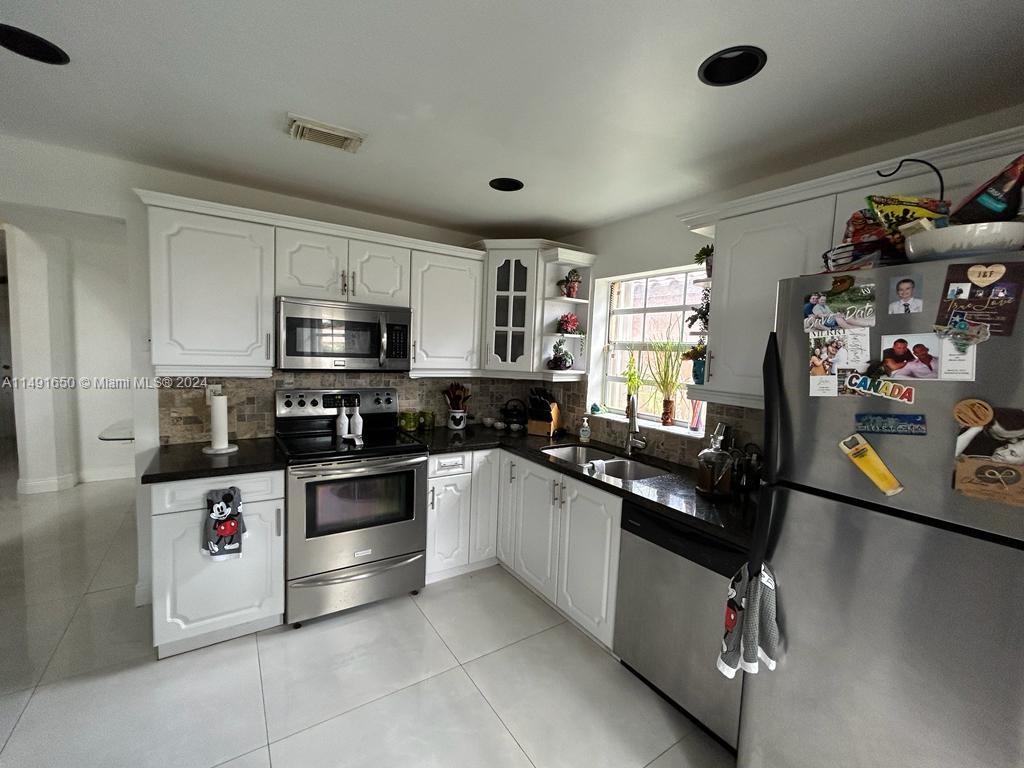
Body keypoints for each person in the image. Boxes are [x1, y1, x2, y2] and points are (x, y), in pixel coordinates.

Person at [956, 408, 1024, 458]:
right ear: (986, 428)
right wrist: (976, 428)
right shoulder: (969, 437)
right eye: (1003, 437)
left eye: (1020, 436)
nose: (1014, 442)